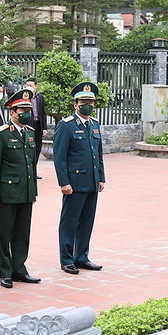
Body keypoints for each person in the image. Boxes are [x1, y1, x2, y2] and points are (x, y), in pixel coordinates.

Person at [0, 89, 41, 288]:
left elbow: (31, 165)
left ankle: (20, 268)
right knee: (5, 234)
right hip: (7, 193)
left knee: (23, 232)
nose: (26, 112)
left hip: (26, 192)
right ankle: (6, 271)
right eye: (22, 109)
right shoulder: (0, 135)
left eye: (28, 109)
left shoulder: (31, 133)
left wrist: (33, 190)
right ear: (12, 112)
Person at [52, 81, 105, 274]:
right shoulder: (66, 126)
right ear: (75, 104)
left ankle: (81, 257)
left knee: (87, 221)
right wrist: (64, 182)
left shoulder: (95, 125)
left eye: (91, 102)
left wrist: (101, 178)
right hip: (74, 183)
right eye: (83, 101)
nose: (88, 105)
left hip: (91, 182)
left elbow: (98, 155)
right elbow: (59, 157)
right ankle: (66, 259)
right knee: (69, 222)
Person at [25, 77, 47, 179]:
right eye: (27, 85)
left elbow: (43, 113)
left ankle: (34, 170)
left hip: (38, 125)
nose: (29, 87)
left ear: (36, 86)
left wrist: (44, 128)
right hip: (29, 126)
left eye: (31, 85)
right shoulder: (24, 97)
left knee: (37, 148)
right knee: (29, 148)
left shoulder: (40, 98)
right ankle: (27, 170)